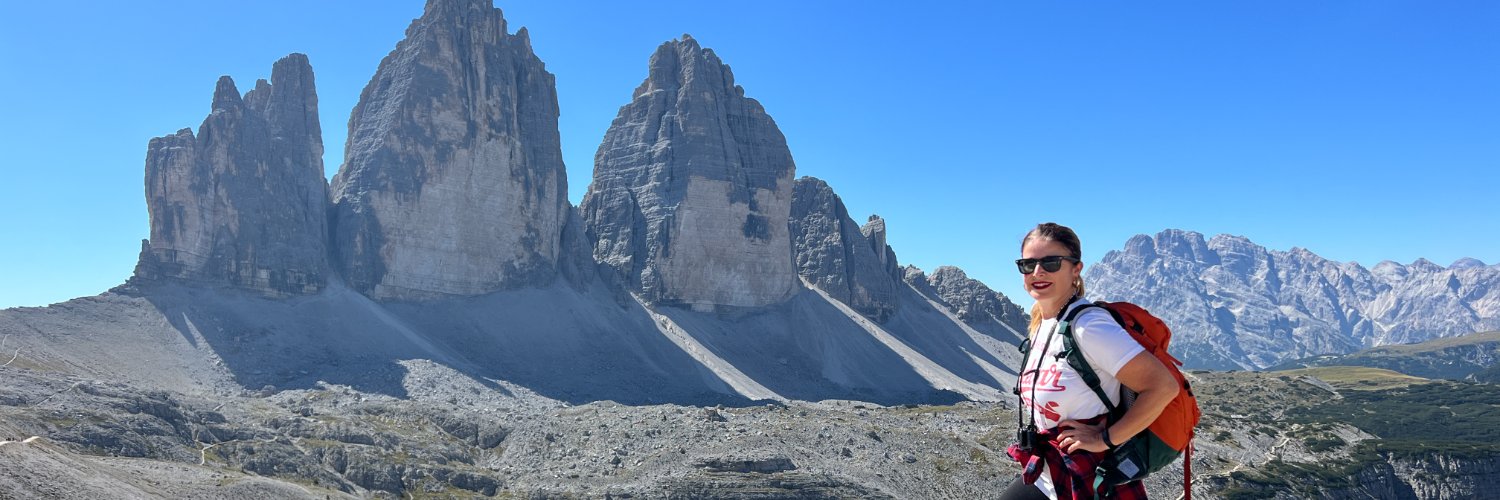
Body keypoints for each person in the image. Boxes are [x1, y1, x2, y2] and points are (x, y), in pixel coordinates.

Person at [999, 223, 1180, 500]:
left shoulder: (1088, 326)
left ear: (1075, 269)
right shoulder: (1042, 323)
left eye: (1051, 262)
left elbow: (1163, 387)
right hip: (1049, 472)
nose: (1038, 272)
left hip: (1092, 477)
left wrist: (1104, 439)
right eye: (1028, 264)